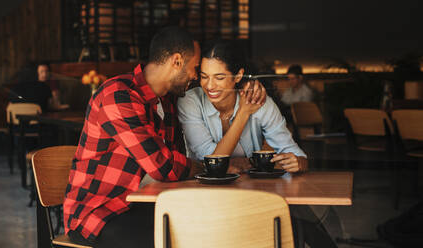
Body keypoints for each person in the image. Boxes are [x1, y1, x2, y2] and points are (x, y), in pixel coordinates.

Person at [177, 40, 338, 248]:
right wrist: (243, 114)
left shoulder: (259, 99)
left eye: (219, 77)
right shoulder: (190, 101)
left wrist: (297, 162)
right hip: (204, 197)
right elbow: (212, 162)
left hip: (250, 195)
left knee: (294, 215)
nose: (209, 85)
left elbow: (294, 153)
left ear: (238, 76)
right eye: (204, 76)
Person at [63, 26, 205, 248]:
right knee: (177, 241)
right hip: (99, 214)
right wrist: (205, 168)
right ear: (176, 61)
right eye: (194, 68)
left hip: (143, 206)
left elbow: (176, 161)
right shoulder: (118, 95)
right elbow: (163, 166)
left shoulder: (166, 102)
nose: (196, 76)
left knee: (204, 227)